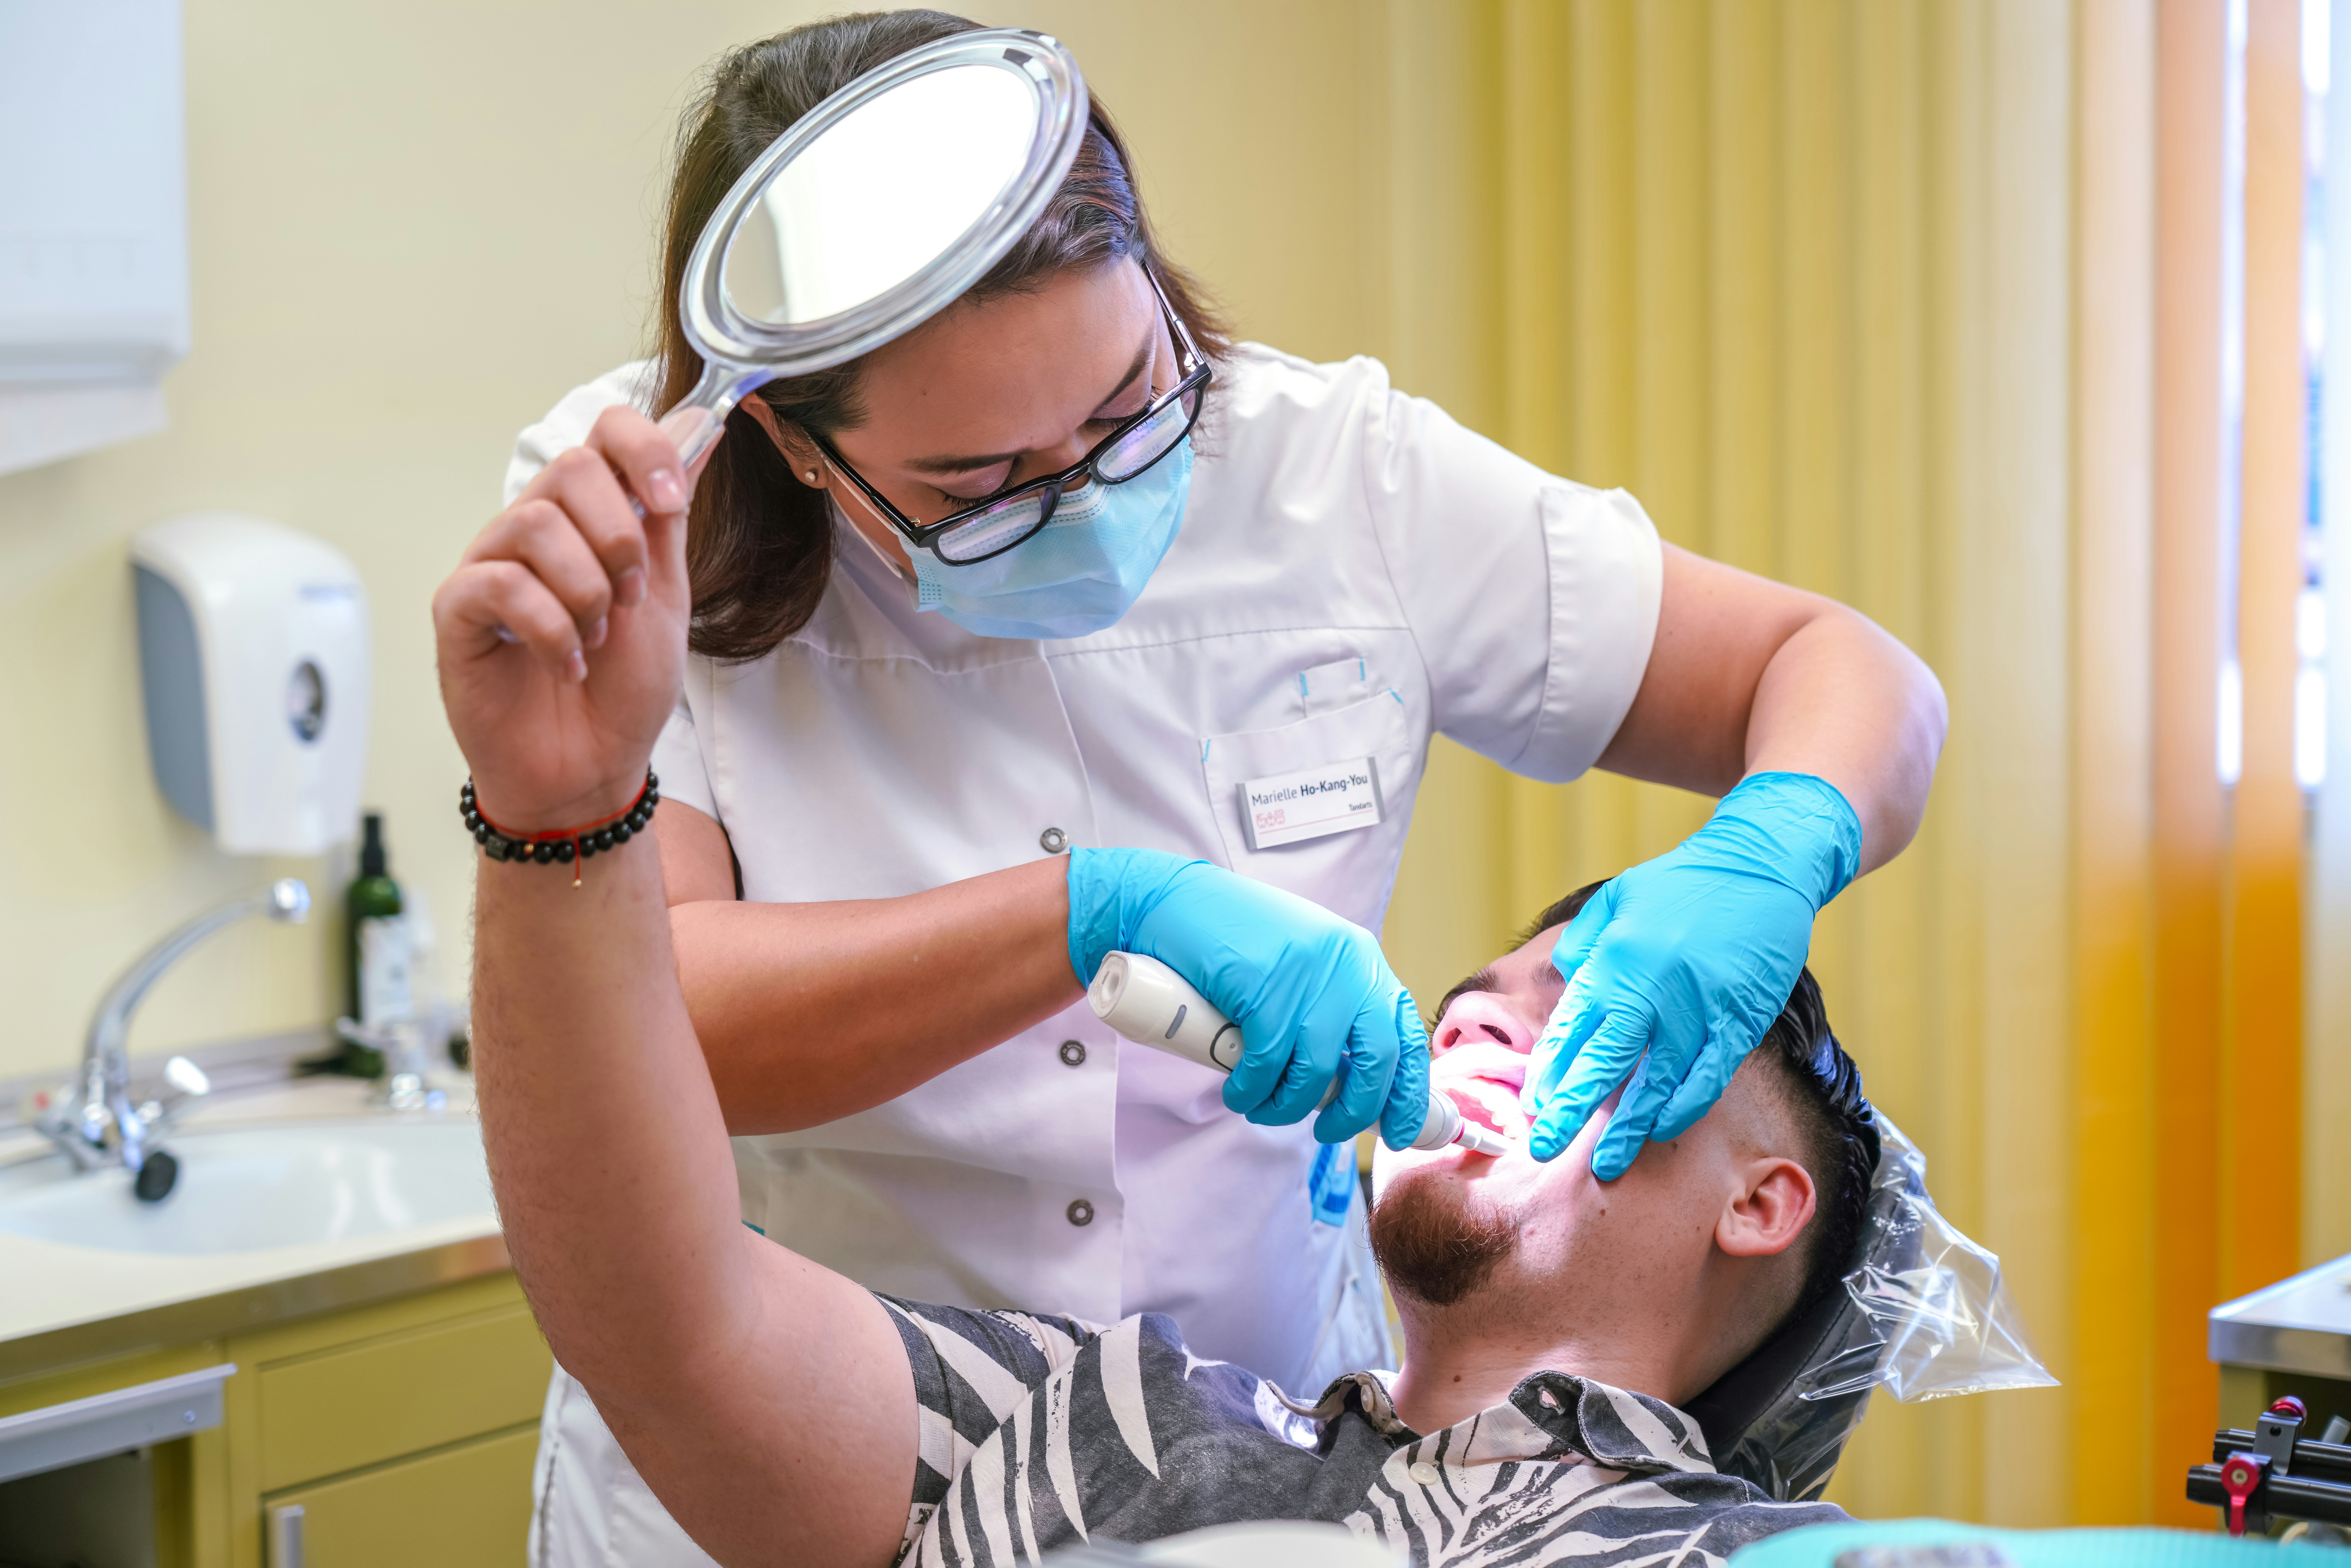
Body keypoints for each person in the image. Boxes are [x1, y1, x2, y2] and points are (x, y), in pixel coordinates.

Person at [453, 9, 1944, 1558]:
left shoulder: (1340, 477)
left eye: (1127, 411)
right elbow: (645, 1046)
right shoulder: (649, 524)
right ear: (799, 444)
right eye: (982, 487)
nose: (1084, 497)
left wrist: (1778, 840)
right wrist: (1090, 917)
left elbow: (1850, 672)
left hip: (1262, 1424)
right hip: (840, 1441)